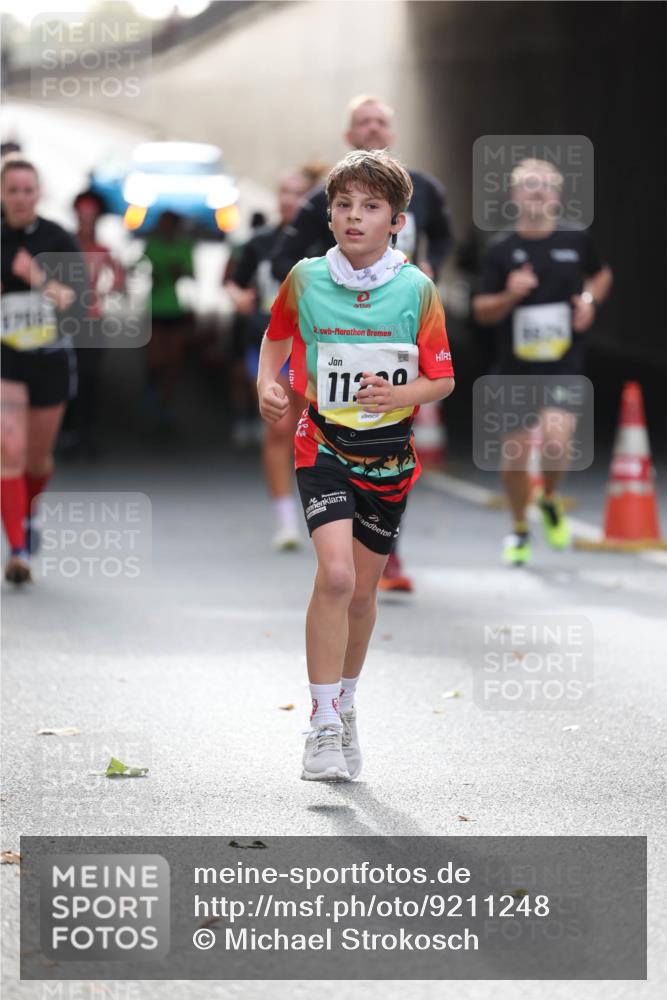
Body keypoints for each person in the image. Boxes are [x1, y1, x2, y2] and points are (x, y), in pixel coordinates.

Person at [258, 149, 455, 781]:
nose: (353, 217)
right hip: (323, 447)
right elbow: (276, 335)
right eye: (343, 205)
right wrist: (268, 382)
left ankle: (345, 706)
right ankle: (318, 724)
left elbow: (443, 379)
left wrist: (402, 395)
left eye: (370, 207)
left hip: (389, 458)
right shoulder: (307, 278)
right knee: (337, 579)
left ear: (396, 221)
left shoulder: (417, 287)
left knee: (365, 596)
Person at [271, 95, 456, 592]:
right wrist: (329, 288)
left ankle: (386, 548)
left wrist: (431, 266)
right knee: (341, 436)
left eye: (381, 121)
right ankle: (353, 545)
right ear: (349, 136)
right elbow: (283, 254)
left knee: (394, 436)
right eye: (362, 122)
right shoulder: (323, 202)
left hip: (405, 320)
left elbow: (445, 236)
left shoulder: (424, 190)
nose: (373, 129)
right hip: (343, 330)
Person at [472, 158, 612, 565]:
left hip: (562, 364)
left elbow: (601, 275)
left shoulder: (577, 239)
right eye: (529, 185)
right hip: (514, 368)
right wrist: (511, 294)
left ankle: (549, 498)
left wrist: (589, 301)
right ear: (515, 196)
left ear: (557, 195)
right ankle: (519, 529)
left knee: (555, 440)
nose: (537, 192)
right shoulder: (501, 249)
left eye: (545, 185)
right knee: (514, 457)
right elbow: (481, 311)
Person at [1, 156, 85, 583]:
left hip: (49, 360)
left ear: (39, 193)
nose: (20, 198)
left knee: (36, 459)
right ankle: (17, 551)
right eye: (12, 190)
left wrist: (36, 277)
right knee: (8, 452)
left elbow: (76, 301)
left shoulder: (57, 238)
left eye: (27, 190)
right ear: (2, 194)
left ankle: (28, 515)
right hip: (6, 360)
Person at [225, 169, 317, 550]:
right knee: (279, 428)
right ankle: (285, 521)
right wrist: (236, 296)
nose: (290, 200)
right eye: (284, 192)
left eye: (298, 194)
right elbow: (234, 280)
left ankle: (318, 512)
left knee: (306, 430)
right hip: (268, 343)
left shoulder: (323, 244)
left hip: (310, 347)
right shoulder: (260, 243)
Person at [59, 191, 124, 458]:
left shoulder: (102, 250)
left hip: (93, 320)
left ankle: (85, 434)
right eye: (83, 217)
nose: (87, 222)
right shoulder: (66, 245)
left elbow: (119, 276)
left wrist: (108, 290)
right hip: (68, 321)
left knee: (90, 379)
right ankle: (67, 432)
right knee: (65, 378)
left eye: (91, 218)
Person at [141, 211, 195, 429]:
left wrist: (179, 272)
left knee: (173, 359)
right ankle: (152, 385)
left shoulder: (184, 247)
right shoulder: (153, 245)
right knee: (155, 358)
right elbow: (138, 267)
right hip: (155, 308)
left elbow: (192, 274)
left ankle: (167, 401)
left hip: (176, 308)